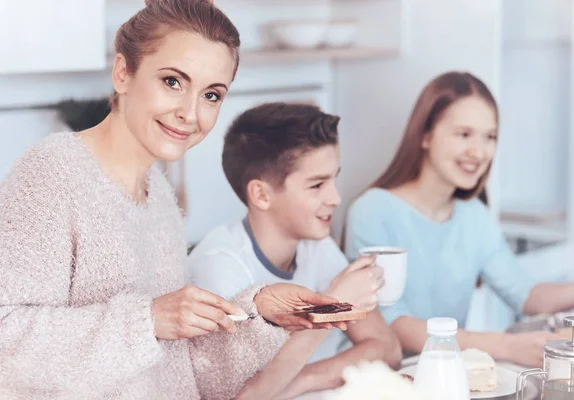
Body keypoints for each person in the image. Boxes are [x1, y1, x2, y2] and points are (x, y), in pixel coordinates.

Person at [0, 1, 345, 399]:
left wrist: (258, 312)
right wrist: (146, 321)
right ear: (123, 73)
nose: (190, 113)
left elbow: (179, 372)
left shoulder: (159, 195)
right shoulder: (52, 174)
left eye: (212, 95)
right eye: (172, 82)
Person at [344, 71, 574, 368]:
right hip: (377, 379)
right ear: (425, 135)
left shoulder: (473, 217)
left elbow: (527, 295)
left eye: (489, 137)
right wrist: (504, 345)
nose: (479, 152)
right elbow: (392, 324)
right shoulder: (372, 211)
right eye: (463, 134)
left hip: (444, 374)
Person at [189, 102, 402, 399]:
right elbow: (245, 395)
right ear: (262, 195)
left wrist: (300, 380)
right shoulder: (219, 268)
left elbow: (386, 347)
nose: (335, 198)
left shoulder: (317, 244)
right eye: (317, 186)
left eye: (333, 179)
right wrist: (330, 309)